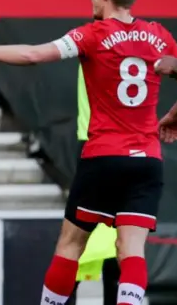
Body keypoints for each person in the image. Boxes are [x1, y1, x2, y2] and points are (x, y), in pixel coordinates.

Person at [0, 0, 177, 305]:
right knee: (131, 250)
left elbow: (32, 54)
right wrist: (175, 116)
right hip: (147, 160)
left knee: (71, 244)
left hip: (103, 156)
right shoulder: (159, 35)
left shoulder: (91, 35)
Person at [65, 65, 120, 305]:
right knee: (115, 237)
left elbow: (32, 54)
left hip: (98, 144)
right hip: (118, 144)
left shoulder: (91, 40)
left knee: (83, 236)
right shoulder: (143, 42)